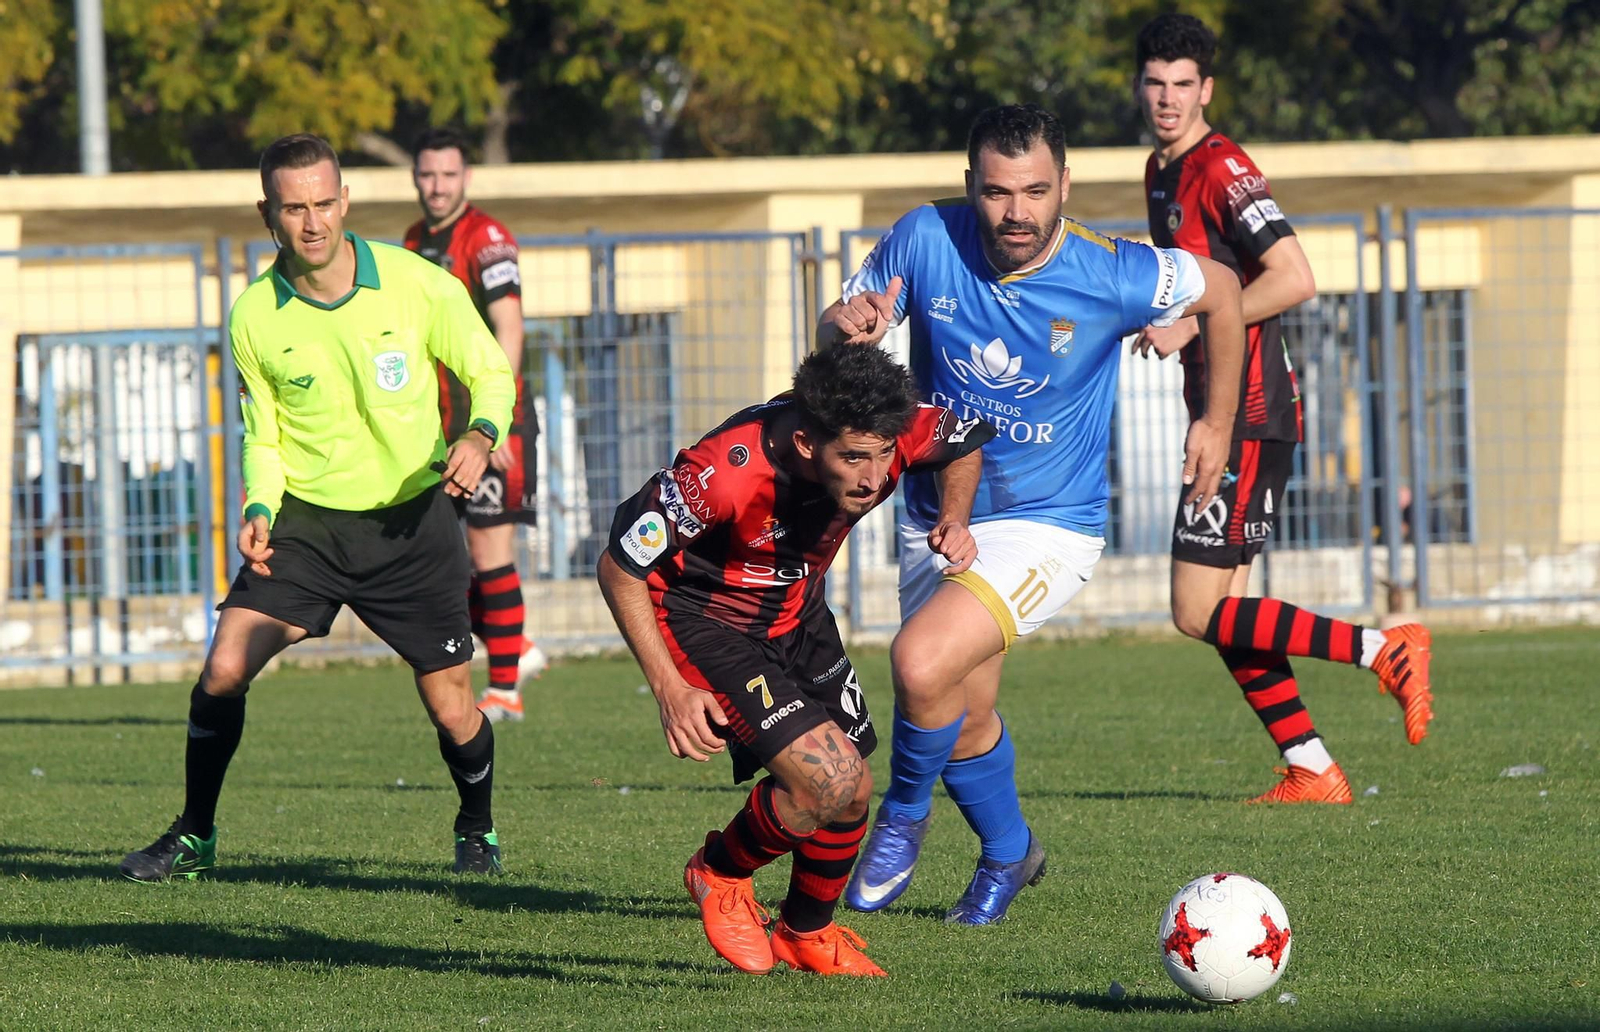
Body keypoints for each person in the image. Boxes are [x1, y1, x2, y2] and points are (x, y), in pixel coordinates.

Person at [818, 103, 1248, 925]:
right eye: (996, 192)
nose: (1016, 212)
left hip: (1051, 522)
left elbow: (1223, 291)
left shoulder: (1115, 272)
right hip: (938, 510)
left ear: (1066, 185)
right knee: (963, 712)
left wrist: (1216, 421)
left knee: (916, 663)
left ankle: (902, 817)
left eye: (1035, 191)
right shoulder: (925, 237)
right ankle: (1012, 854)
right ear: (968, 186)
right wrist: (843, 327)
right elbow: (843, 329)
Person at [119, 133, 517, 882]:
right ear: (266, 211)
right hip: (308, 528)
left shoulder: (415, 282)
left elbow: (489, 370)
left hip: (412, 522)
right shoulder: (253, 317)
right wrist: (259, 506)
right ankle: (195, 834)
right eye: (293, 207)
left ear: (346, 201)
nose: (312, 223)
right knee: (224, 669)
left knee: (452, 709)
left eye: (324, 204)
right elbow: (261, 435)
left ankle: (477, 825)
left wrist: (479, 431)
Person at [597, 344, 994, 975]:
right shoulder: (722, 475)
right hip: (706, 624)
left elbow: (964, 439)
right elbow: (620, 566)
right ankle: (719, 873)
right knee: (825, 781)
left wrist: (954, 517)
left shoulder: (889, 429)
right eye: (854, 458)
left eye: (885, 454)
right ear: (807, 444)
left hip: (798, 615)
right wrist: (669, 688)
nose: (873, 476)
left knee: (854, 788)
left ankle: (805, 933)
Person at [1133, 13, 1433, 804]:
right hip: (1228, 411)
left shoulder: (1222, 167)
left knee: (1195, 610)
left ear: (1207, 90)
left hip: (1251, 414)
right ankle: (1310, 767)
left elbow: (1294, 275)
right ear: (1141, 87)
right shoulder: (1159, 171)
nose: (1168, 99)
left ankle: (1382, 649)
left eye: (1183, 85)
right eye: (1155, 84)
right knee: (1227, 611)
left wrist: (1190, 325)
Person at [405, 126, 546, 725]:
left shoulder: (485, 239)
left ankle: (506, 689)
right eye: (428, 174)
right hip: (440, 426)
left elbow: (508, 327)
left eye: (448, 175)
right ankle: (521, 648)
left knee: (489, 551)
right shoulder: (414, 240)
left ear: (466, 178)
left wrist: (499, 421)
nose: (437, 186)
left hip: (491, 424)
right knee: (445, 557)